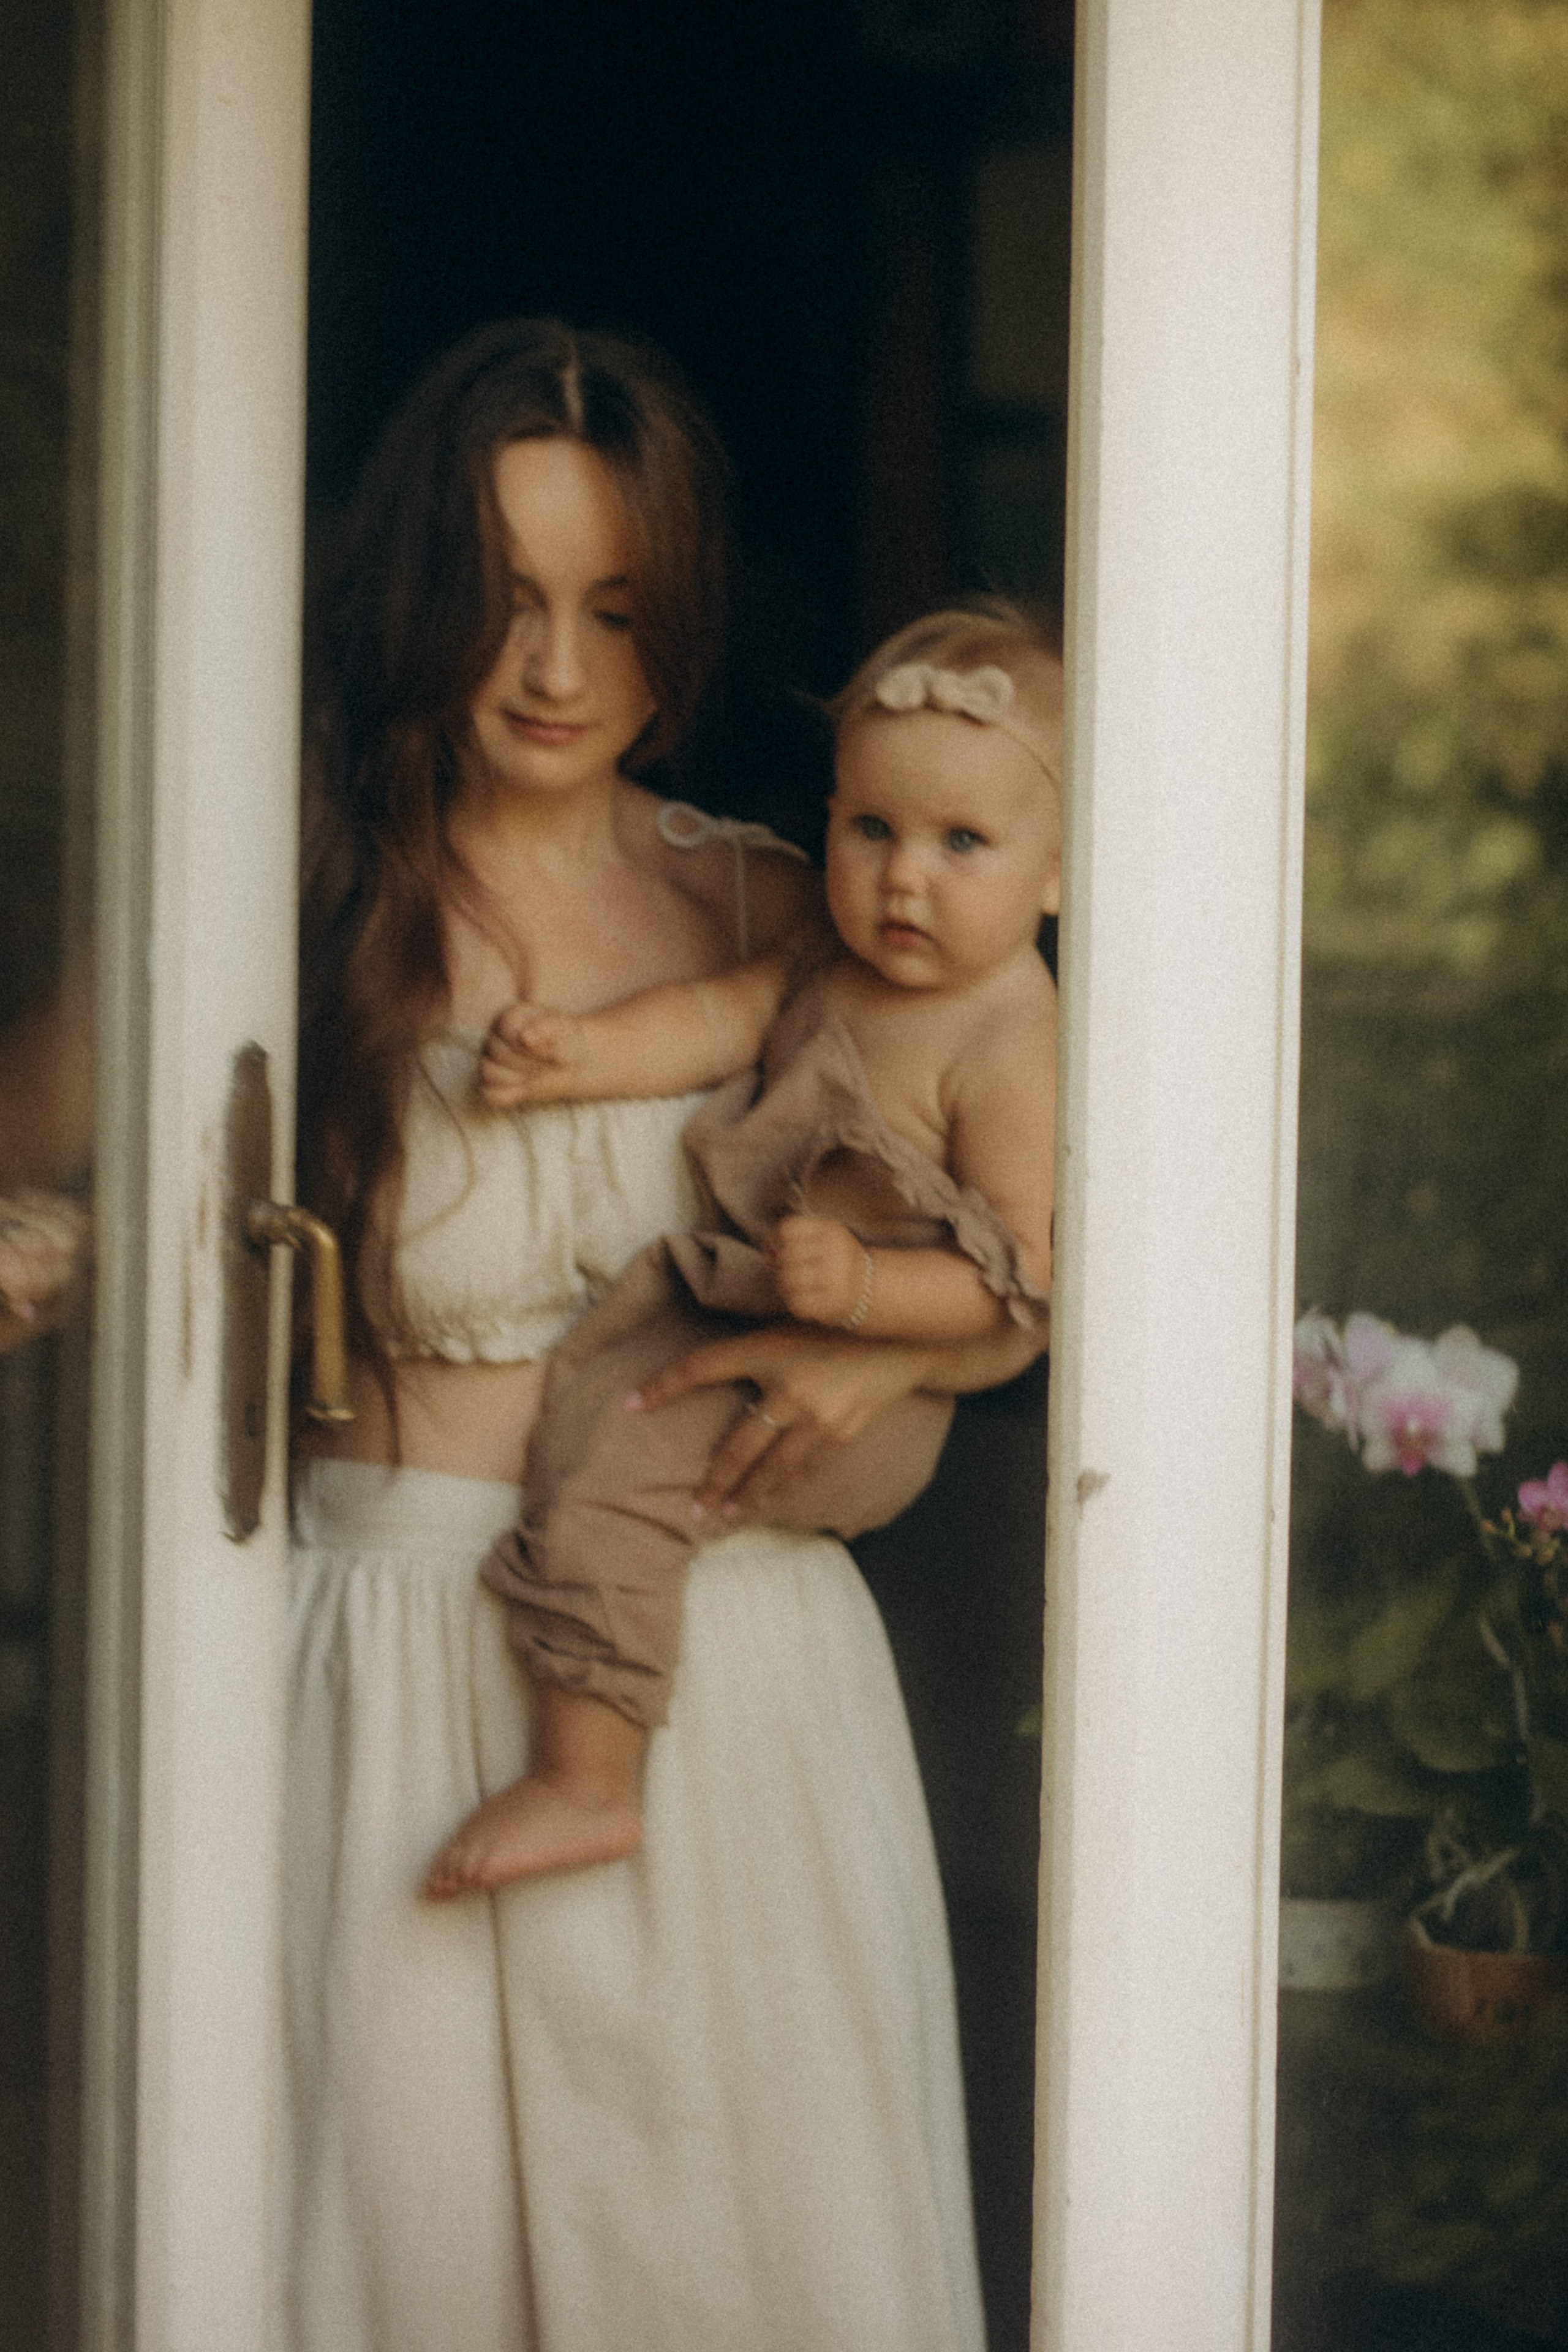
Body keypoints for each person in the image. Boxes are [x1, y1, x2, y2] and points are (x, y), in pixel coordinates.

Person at [287, 315, 1040, 2352]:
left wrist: (894, 1353)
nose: (554, 672)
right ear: (412, 601)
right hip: (403, 1695)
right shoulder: (296, 890)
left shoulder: (799, 909)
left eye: (614, 612)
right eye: (503, 602)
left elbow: (1028, 1257)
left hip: (742, 1710)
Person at [426, 606, 1060, 1894]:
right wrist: (582, 1056)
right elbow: (716, 1016)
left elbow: (1027, 1272)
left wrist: (873, 1290)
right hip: (745, 1300)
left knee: (625, 1448)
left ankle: (587, 1778)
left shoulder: (1007, 1039)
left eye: (961, 845)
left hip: (872, 1376)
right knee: (604, 1407)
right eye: (870, 828)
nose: (901, 879)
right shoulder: (829, 958)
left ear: (1053, 874)